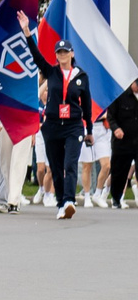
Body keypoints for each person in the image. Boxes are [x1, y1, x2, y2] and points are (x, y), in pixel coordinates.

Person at [40, 42, 91, 219]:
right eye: (59, 52)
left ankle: (69, 200)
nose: (62, 54)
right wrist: (27, 34)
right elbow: (36, 56)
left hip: (73, 126)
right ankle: (61, 203)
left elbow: (87, 104)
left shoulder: (81, 76)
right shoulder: (52, 72)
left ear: (72, 54)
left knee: (70, 163)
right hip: (53, 125)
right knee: (56, 167)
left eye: (65, 51)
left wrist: (89, 129)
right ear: (56, 55)